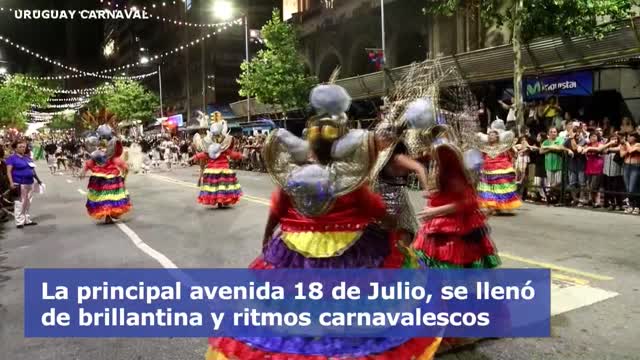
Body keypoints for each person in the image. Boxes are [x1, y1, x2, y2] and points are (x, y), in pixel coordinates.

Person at [205, 83, 442, 360]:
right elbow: (377, 210)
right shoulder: (350, 183)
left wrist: (267, 240)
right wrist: (391, 230)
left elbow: (275, 212)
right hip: (354, 253)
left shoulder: (293, 180)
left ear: (310, 146)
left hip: (292, 252)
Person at [413, 142, 500, 269]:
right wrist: (435, 197)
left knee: (451, 261)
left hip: (455, 225)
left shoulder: (453, 175)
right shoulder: (446, 173)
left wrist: (436, 211)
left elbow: (468, 201)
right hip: (446, 222)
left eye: (436, 155)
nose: (433, 157)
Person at [80, 126, 132, 224]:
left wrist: (83, 171)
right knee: (113, 197)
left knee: (105, 199)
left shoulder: (98, 155)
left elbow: (89, 163)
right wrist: (125, 174)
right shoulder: (110, 156)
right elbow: (122, 164)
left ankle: (109, 215)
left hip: (100, 180)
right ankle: (111, 215)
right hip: (111, 180)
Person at [193, 117, 243, 208]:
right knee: (222, 186)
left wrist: (193, 157)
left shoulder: (221, 147)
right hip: (222, 168)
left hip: (214, 169)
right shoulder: (221, 147)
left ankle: (220, 201)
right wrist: (241, 156)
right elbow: (232, 154)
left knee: (215, 186)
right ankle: (221, 200)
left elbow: (203, 155)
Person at [476, 120, 521, 213]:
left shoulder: (503, 147)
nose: (490, 136)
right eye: (489, 135)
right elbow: (482, 157)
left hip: (501, 170)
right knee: (489, 188)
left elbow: (512, 155)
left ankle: (500, 205)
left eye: (492, 135)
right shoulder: (485, 147)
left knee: (500, 188)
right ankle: (493, 205)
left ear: (497, 137)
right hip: (488, 170)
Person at [6, 139, 42, 228]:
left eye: (24, 147)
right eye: (20, 147)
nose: (22, 148)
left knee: (28, 202)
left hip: (30, 182)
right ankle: (19, 222)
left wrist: (38, 179)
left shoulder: (27, 158)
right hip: (19, 183)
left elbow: (32, 170)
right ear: (15, 148)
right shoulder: (12, 158)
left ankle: (27, 220)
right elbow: (8, 172)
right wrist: (11, 182)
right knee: (20, 202)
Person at [540, 127, 572, 202]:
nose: (553, 133)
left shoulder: (560, 140)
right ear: (548, 133)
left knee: (558, 182)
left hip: (558, 165)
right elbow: (541, 151)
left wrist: (547, 148)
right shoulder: (546, 141)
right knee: (551, 182)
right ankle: (552, 197)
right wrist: (551, 148)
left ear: (557, 133)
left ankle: (548, 192)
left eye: (554, 132)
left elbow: (560, 148)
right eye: (551, 132)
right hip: (548, 165)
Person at [602, 134, 625, 211]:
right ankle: (612, 203)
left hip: (617, 172)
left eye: (615, 139)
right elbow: (602, 150)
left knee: (617, 189)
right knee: (608, 188)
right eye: (612, 139)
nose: (614, 140)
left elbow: (618, 149)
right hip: (607, 172)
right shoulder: (607, 147)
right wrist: (609, 144)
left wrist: (609, 148)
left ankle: (620, 204)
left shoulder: (620, 146)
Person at [582, 132, 605, 207]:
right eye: (591, 136)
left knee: (594, 186)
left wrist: (588, 148)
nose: (593, 138)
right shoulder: (587, 145)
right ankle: (593, 201)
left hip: (598, 167)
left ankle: (594, 201)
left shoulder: (600, 144)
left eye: (594, 136)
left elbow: (599, 149)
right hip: (589, 167)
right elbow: (581, 150)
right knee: (589, 185)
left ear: (597, 137)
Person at [620, 132, 640, 214]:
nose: (627, 139)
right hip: (626, 166)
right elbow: (622, 155)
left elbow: (631, 150)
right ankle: (631, 206)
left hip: (635, 167)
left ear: (634, 138)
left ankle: (637, 206)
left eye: (629, 137)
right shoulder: (624, 145)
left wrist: (627, 144)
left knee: (633, 188)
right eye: (627, 137)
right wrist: (627, 147)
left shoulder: (638, 144)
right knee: (628, 188)